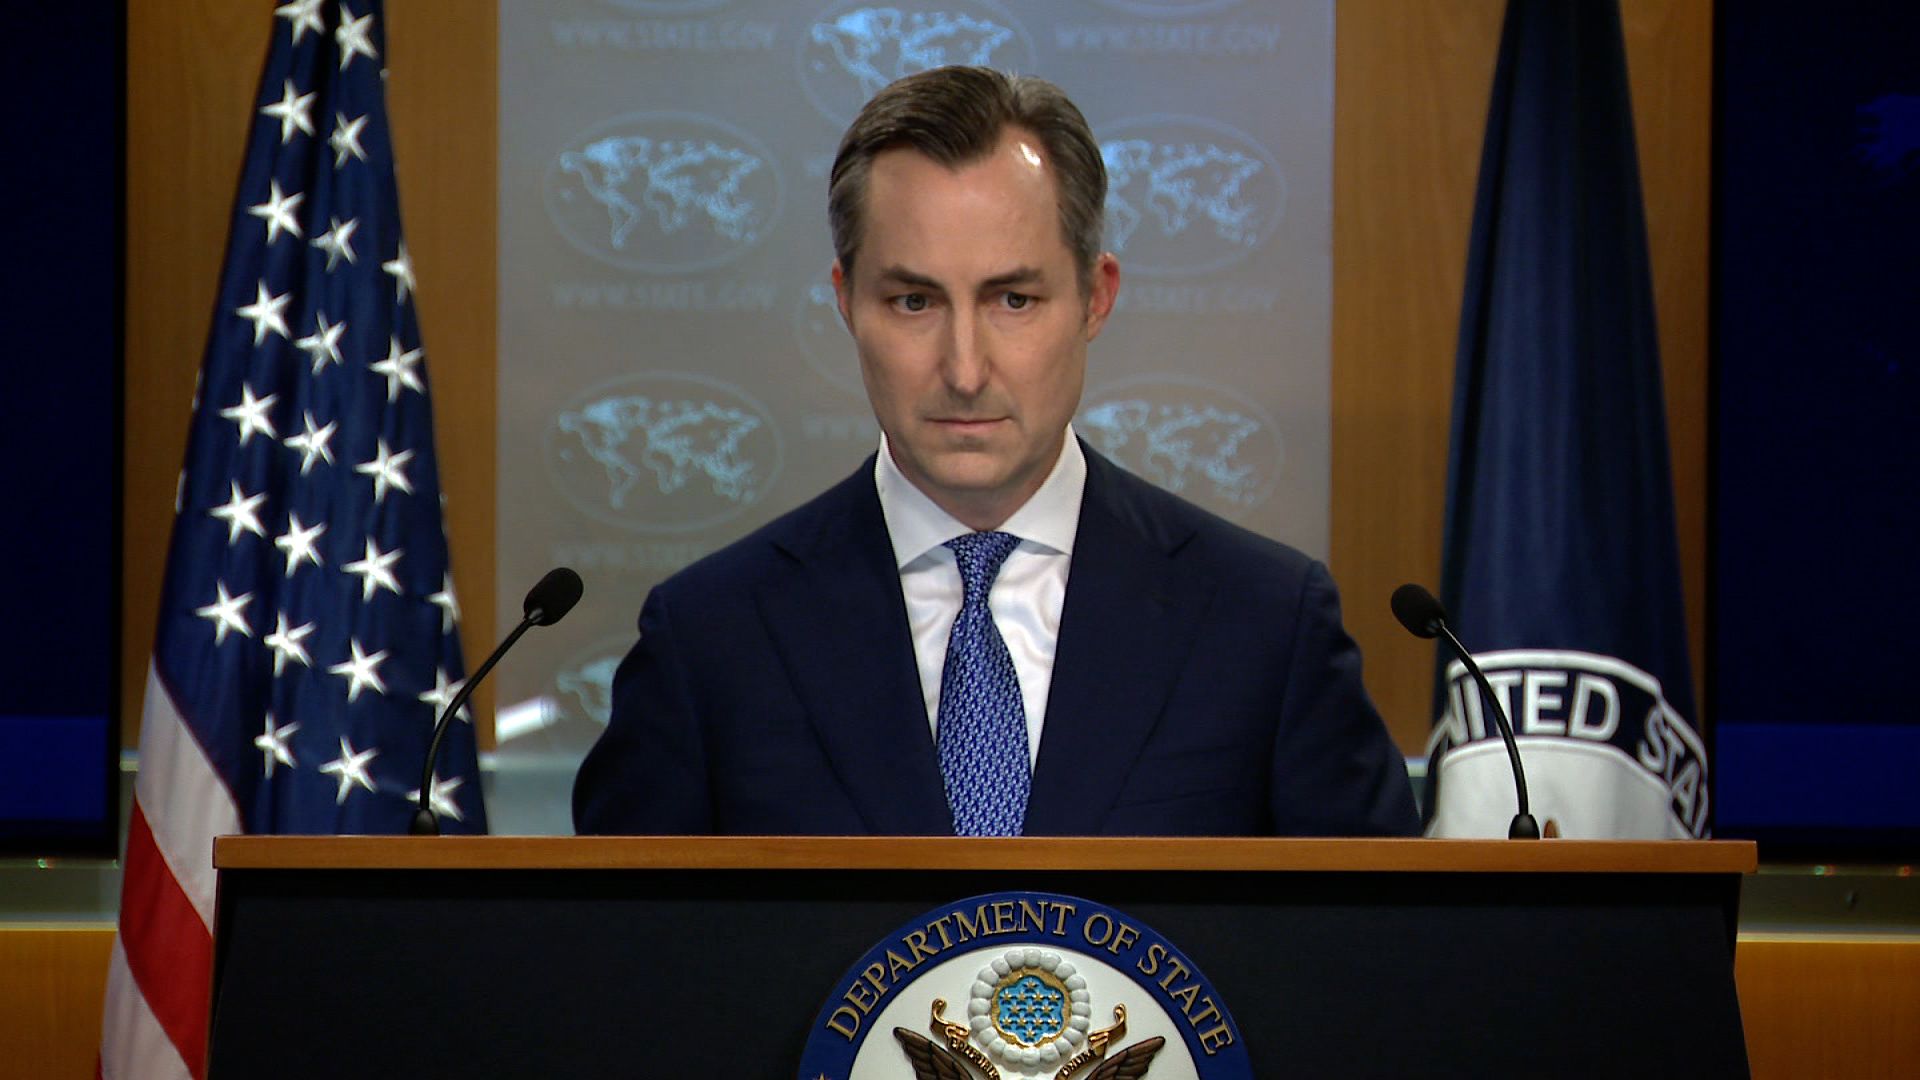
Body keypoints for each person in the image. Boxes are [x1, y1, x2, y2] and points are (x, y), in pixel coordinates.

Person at [572, 66, 1418, 837]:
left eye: (1014, 299)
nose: (965, 370)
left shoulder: (1263, 624)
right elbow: (630, 979)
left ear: (1095, 297)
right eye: (913, 302)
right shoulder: (713, 639)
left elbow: (1370, 969)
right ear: (845, 301)